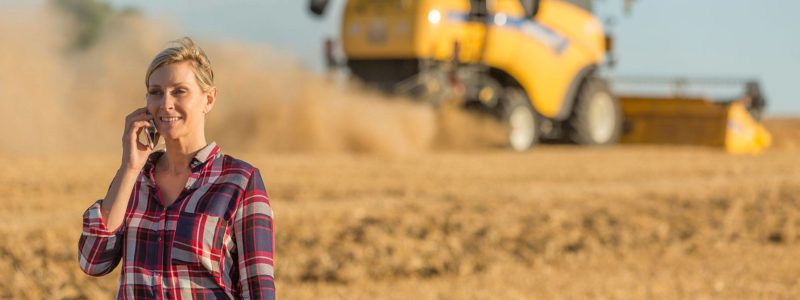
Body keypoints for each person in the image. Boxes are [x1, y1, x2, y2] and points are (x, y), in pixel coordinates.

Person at [78, 37, 276, 299]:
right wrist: (129, 167)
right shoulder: (134, 181)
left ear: (209, 99)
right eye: (156, 92)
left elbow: (259, 290)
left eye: (179, 91)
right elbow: (93, 261)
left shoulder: (240, 181)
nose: (166, 103)